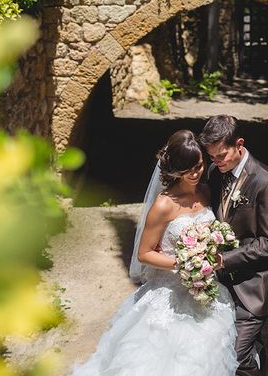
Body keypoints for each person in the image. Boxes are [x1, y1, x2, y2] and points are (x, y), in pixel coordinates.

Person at [72, 129, 238, 376]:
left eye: (200, 165)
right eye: (188, 169)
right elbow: (144, 253)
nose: (196, 173)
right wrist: (185, 262)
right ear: (175, 169)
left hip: (207, 288)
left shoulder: (205, 191)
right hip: (170, 290)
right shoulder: (163, 205)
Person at [199, 116, 268, 376]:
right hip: (222, 284)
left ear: (239, 144)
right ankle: (256, 359)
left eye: (221, 155)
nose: (216, 161)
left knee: (233, 357)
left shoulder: (267, 183)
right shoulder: (216, 172)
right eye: (211, 156)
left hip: (254, 287)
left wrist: (225, 260)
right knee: (231, 348)